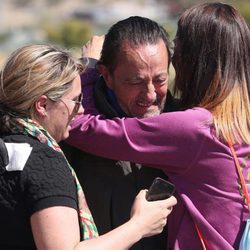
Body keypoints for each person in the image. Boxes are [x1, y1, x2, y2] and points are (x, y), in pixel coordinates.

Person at [66, 2, 250, 249]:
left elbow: (79, 126)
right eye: (134, 81)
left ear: (194, 62)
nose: (151, 94)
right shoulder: (238, 120)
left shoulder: (193, 128)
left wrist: (87, 67)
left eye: (178, 52)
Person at [0, 44, 177, 249]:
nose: (81, 109)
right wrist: (139, 225)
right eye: (76, 100)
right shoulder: (44, 163)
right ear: (42, 105)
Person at [63, 16, 179, 250]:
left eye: (160, 80)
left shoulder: (187, 125)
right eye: (135, 81)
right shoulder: (68, 132)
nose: (150, 95)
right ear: (106, 75)